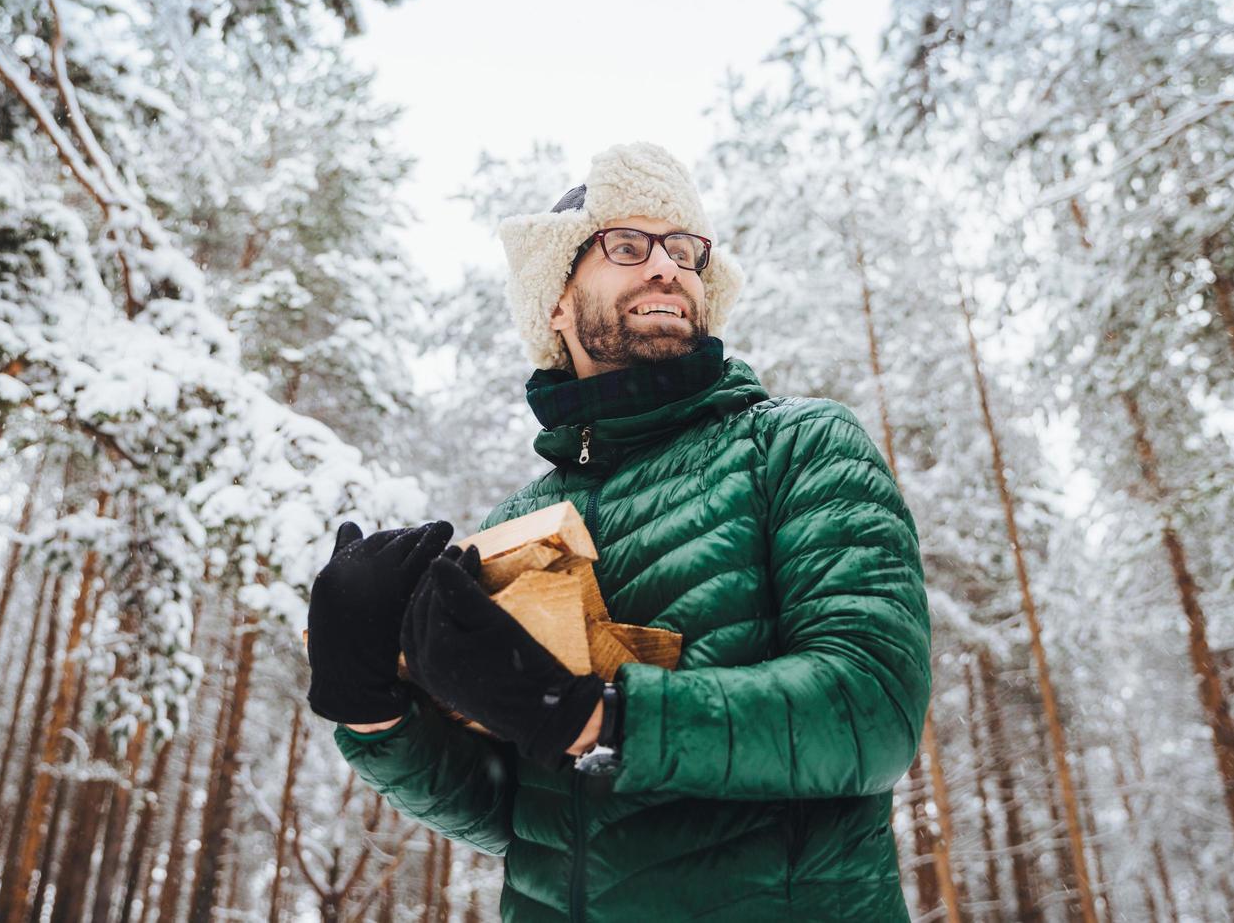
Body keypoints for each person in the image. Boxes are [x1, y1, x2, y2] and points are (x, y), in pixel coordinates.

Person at [305, 142, 932, 921]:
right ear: (555, 303)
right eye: (627, 246)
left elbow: (870, 712)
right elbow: (521, 817)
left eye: (684, 250)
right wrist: (374, 712)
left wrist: (594, 717)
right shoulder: (519, 527)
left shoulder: (797, 446)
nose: (665, 267)